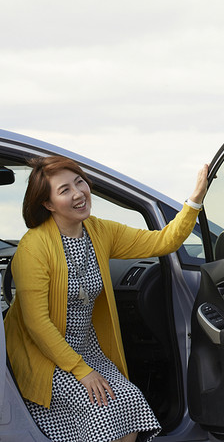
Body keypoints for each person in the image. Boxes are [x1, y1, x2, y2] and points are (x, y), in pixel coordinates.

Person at [4, 155, 208, 442]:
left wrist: (195, 198)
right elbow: (37, 324)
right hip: (44, 355)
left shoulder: (99, 231)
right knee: (101, 408)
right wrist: (81, 372)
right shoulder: (33, 248)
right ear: (48, 204)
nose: (78, 193)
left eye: (79, 182)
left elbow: (164, 241)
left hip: (88, 349)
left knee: (129, 399)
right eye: (65, 190)